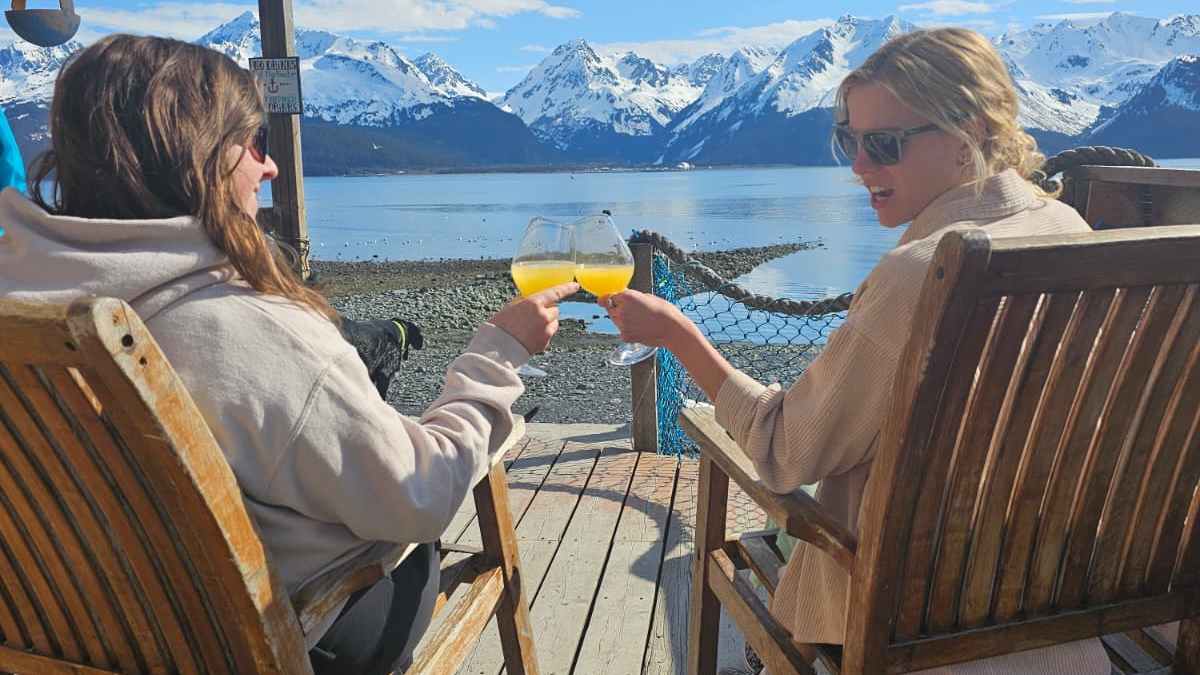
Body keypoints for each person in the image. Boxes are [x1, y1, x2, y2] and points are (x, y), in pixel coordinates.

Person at [0, 34, 578, 675]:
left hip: (73, 631)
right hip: (256, 643)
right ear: (199, 155)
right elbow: (421, 494)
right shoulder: (244, 330)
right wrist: (496, 356)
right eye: (254, 143)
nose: (269, 167)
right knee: (422, 545)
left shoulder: (22, 297)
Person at [602, 27, 1143, 674]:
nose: (859, 167)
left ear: (969, 132)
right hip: (1047, 578)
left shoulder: (920, 274)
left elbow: (786, 451)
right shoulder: (1068, 227)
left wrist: (677, 335)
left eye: (883, 145)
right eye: (848, 142)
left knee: (773, 498)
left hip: (911, 608)